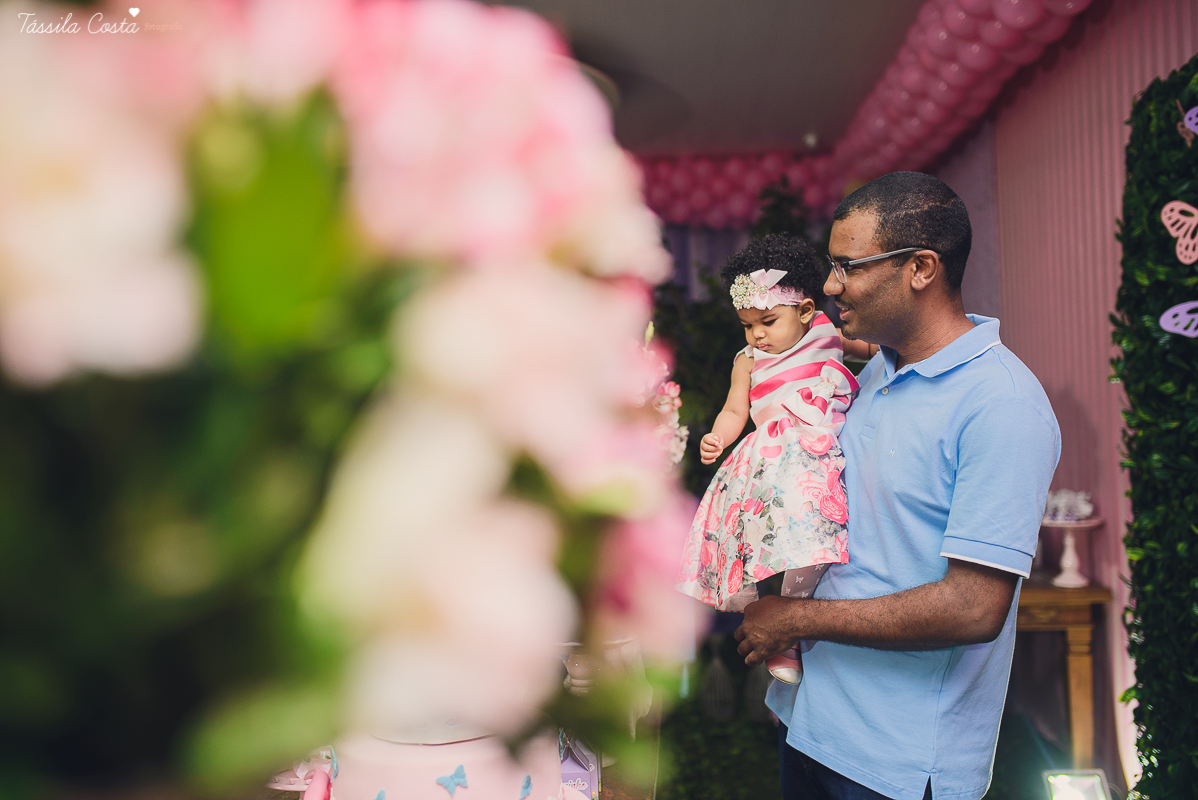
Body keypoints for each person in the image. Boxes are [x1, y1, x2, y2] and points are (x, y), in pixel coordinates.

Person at [734, 173, 1060, 800]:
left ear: (920, 267)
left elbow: (973, 606)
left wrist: (798, 617)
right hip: (811, 722)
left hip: (898, 764)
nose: (830, 286)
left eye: (847, 266)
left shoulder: (1002, 405)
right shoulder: (879, 367)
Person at [675, 234, 872, 683]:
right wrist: (718, 438)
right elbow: (734, 410)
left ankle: (791, 627)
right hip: (768, 462)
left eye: (767, 321)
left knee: (812, 545)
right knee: (763, 544)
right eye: (747, 325)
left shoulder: (827, 333)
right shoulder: (747, 361)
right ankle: (776, 630)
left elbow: (873, 350)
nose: (757, 334)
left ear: (804, 311)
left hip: (816, 458)